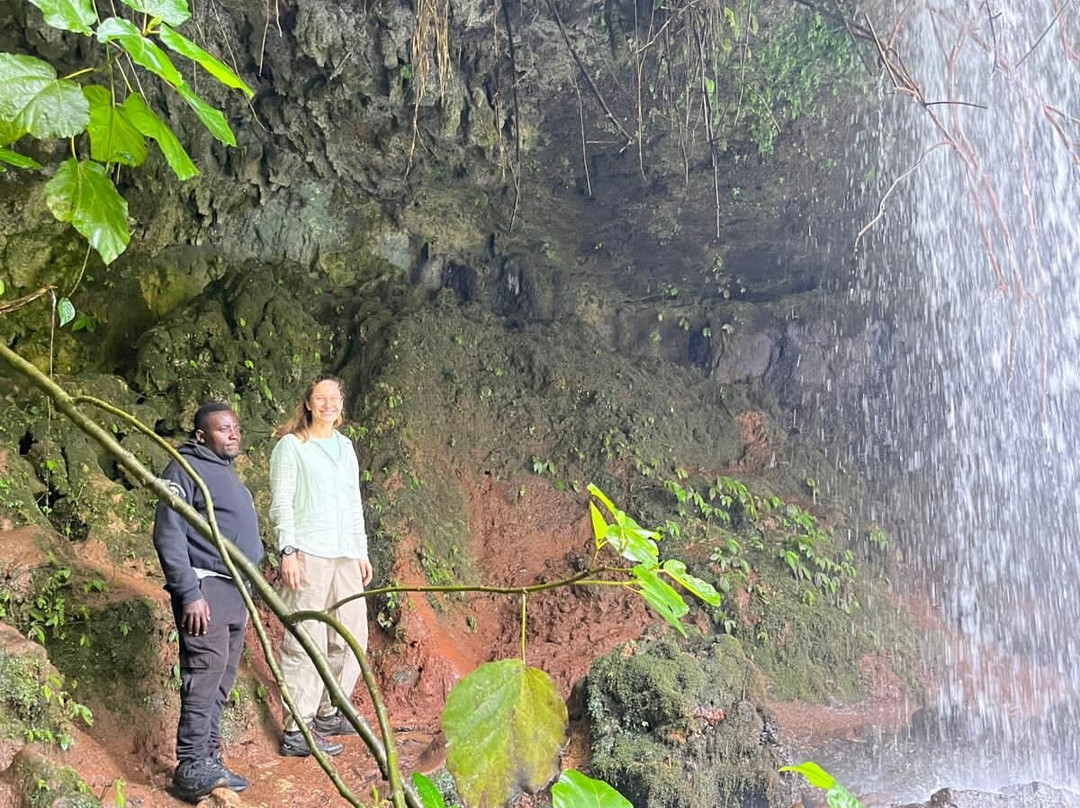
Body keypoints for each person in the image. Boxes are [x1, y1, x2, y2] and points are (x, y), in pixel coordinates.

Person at [152, 403, 264, 803]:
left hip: (235, 593)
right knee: (203, 674)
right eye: (222, 429)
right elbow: (169, 534)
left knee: (221, 678)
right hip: (207, 591)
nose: (233, 434)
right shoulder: (184, 469)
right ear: (201, 436)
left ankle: (208, 757)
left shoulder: (226, 475)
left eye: (235, 427)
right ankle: (190, 765)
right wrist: (190, 593)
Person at [270, 374, 373, 757]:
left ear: (341, 404)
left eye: (334, 397)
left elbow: (353, 504)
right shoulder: (292, 446)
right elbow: (281, 501)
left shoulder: (345, 448)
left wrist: (361, 551)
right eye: (320, 398)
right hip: (309, 552)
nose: (328, 404)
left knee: (351, 636)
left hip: (345, 553)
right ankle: (298, 729)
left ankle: (330, 710)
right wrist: (288, 549)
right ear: (308, 404)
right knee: (305, 638)